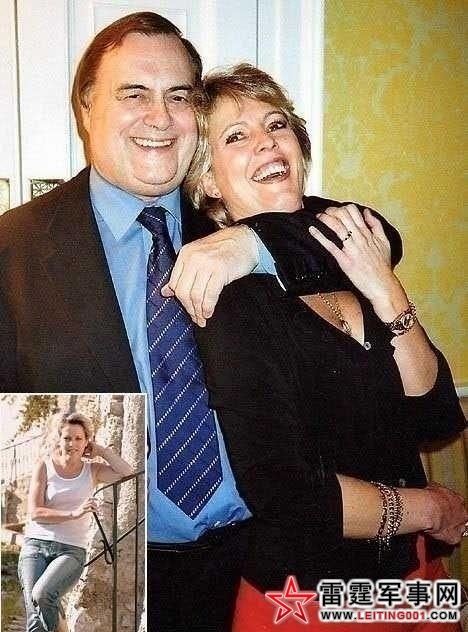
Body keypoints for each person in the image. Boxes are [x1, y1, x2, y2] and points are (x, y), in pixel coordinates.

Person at [0, 12, 354, 632]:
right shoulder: (14, 249)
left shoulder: (230, 208)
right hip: (103, 577)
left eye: (179, 97)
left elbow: (368, 233)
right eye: (133, 94)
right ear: (86, 108)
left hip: (264, 564)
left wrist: (254, 243)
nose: (159, 117)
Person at [185, 63, 467, 631]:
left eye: (277, 124)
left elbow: (436, 415)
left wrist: (385, 288)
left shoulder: (348, 247)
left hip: (411, 574)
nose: (267, 141)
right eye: (236, 136)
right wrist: (428, 508)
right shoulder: (226, 295)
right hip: (306, 597)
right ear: (208, 181)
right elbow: (287, 494)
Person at [18, 412, 133, 632]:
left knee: (42, 594)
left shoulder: (93, 470)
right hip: (35, 545)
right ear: (59, 439)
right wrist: (73, 513)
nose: (72, 444)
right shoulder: (45, 466)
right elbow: (35, 512)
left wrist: (101, 451)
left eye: (79, 438)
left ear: (87, 441)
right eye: (67, 438)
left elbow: (127, 473)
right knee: (35, 618)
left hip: (71, 550)